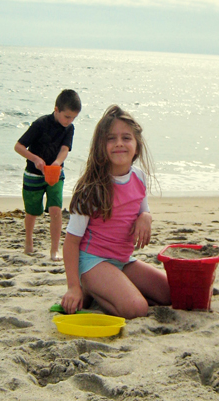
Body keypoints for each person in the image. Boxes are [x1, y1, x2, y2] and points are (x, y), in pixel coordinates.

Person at [60, 104, 171, 319]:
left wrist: (146, 217)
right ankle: (89, 289)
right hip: (92, 262)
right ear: (100, 146)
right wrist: (73, 287)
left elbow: (143, 209)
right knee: (136, 308)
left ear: (137, 145)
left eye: (126, 138)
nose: (119, 143)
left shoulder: (138, 176)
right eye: (111, 138)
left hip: (123, 260)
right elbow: (71, 242)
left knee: (170, 294)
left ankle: (112, 288)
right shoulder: (91, 189)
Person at [14, 89, 82, 260]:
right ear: (56, 109)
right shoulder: (40, 124)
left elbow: (65, 149)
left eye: (73, 118)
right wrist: (35, 158)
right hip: (33, 174)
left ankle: (54, 250)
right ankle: (28, 243)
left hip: (55, 174)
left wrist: (58, 162)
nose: (70, 121)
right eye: (67, 116)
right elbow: (19, 146)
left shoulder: (69, 128)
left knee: (56, 210)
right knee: (32, 212)